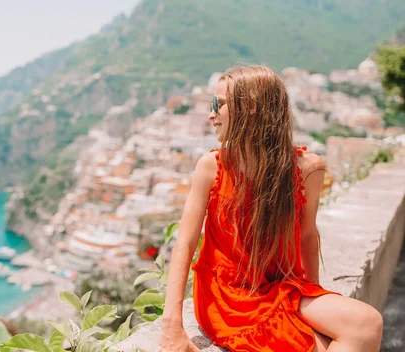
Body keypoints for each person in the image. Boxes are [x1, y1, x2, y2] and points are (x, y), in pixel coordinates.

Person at [158, 66, 384, 352]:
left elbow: (307, 236)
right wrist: (172, 324)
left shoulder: (307, 169)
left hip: (283, 285)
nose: (211, 114)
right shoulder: (212, 166)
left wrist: (313, 298)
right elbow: (185, 243)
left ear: (250, 106)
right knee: (313, 345)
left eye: (219, 104)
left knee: (369, 323)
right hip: (228, 294)